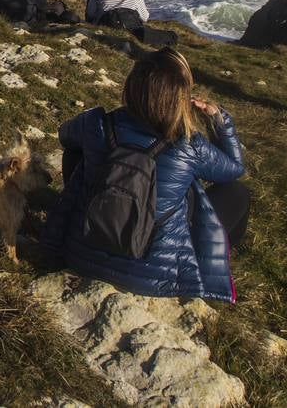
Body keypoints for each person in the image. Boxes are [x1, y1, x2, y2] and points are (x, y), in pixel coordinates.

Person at [41, 48, 249, 302]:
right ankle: (217, 258)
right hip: (155, 278)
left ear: (131, 87)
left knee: (77, 153)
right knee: (236, 192)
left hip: (80, 255)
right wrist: (219, 119)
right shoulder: (189, 145)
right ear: (180, 97)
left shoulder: (98, 123)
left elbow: (65, 136)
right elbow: (234, 169)